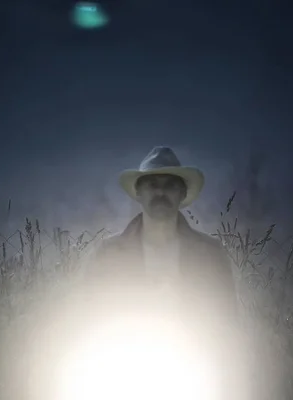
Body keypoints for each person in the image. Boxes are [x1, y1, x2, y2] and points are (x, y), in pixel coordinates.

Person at [82, 145, 247, 399]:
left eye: (169, 185)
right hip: (124, 378)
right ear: (138, 192)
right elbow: (87, 322)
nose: (160, 192)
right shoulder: (108, 255)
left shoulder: (211, 255)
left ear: (182, 192)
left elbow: (227, 327)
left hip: (195, 381)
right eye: (151, 184)